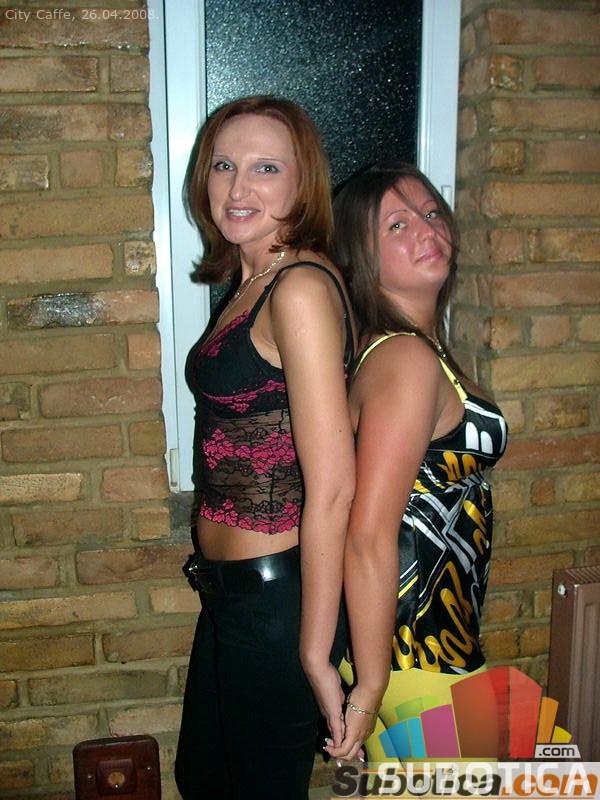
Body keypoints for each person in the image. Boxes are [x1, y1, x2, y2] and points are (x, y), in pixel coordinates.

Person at [175, 96, 356, 800]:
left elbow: (333, 486)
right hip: (232, 596)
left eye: (266, 168)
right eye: (224, 165)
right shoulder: (252, 280)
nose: (237, 188)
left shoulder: (298, 288)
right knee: (205, 779)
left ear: (303, 183)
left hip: (278, 605)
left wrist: (314, 650)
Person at [327, 161, 508, 763]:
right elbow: (367, 536)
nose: (427, 230)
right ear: (360, 259)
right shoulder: (406, 359)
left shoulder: (411, 349)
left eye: (431, 213)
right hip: (416, 655)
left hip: (428, 649)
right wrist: (371, 689)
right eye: (397, 226)